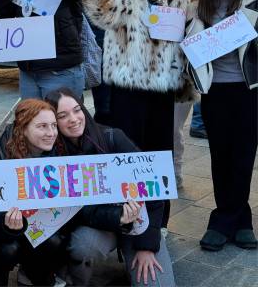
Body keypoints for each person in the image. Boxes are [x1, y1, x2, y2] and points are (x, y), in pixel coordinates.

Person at [80, 0, 194, 227]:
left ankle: (159, 220)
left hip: (163, 87)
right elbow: (99, 8)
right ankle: (128, 215)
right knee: (131, 152)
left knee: (160, 153)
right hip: (129, 88)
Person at [45, 88, 176, 286]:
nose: (73, 119)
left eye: (77, 110)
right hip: (100, 226)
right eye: (63, 116)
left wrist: (146, 246)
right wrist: (119, 217)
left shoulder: (112, 137)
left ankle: (136, 253)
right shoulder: (54, 156)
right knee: (82, 245)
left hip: (140, 224)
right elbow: (76, 212)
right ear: (54, 123)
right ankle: (70, 274)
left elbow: (155, 192)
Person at [186, 0, 258, 251]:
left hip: (249, 91)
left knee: (244, 156)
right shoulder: (195, 5)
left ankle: (225, 220)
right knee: (221, 156)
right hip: (215, 92)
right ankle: (239, 219)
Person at [0, 99, 70, 286]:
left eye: (53, 125)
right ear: (23, 128)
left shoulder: (54, 152)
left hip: (33, 223)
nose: (51, 133)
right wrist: (6, 225)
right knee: (8, 249)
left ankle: (34, 277)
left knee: (53, 241)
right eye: (42, 126)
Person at [170, 0, 208, 187]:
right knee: (170, 125)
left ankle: (175, 171)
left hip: (199, 51)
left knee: (176, 124)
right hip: (168, 56)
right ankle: (171, 173)